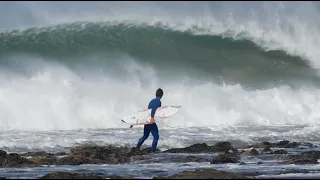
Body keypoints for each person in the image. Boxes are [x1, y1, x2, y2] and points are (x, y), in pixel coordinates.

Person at [136, 88, 163, 153]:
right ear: (161, 95)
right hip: (151, 120)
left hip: (147, 120)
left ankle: (137, 148)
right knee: (156, 137)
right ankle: (153, 152)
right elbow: (153, 109)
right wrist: (152, 117)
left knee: (145, 136)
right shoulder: (158, 101)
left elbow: (149, 110)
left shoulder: (151, 101)